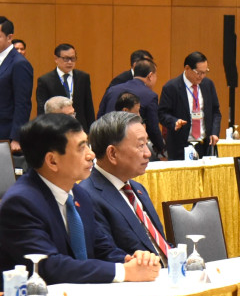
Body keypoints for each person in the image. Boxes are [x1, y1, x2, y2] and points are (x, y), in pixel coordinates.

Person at [0, 113, 160, 284]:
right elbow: (49, 266)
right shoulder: (20, 203)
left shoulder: (79, 195)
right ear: (52, 161)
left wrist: (131, 260)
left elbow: (102, 248)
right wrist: (123, 272)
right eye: (81, 147)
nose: (91, 155)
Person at [77, 112, 170, 260]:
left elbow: (159, 244)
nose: (148, 153)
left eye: (147, 143)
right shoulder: (87, 196)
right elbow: (107, 255)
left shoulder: (137, 188)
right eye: (141, 145)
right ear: (112, 153)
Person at [158, 52, 222, 160]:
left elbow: (216, 111)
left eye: (205, 72)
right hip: (181, 146)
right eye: (199, 73)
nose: (202, 76)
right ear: (187, 68)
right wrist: (174, 121)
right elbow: (162, 114)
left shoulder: (208, 85)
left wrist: (215, 133)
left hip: (204, 146)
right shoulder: (171, 87)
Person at [98, 58, 165, 157]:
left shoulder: (112, 89)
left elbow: (100, 116)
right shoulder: (150, 95)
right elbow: (153, 128)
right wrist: (161, 150)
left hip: (105, 147)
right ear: (150, 76)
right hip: (130, 150)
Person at [35, 43, 95, 132]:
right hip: (56, 128)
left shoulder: (83, 77)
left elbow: (88, 106)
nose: (70, 62)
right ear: (56, 59)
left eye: (73, 58)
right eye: (66, 59)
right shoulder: (45, 80)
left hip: (80, 127)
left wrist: (91, 130)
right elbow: (42, 110)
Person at [0, 16, 34, 152]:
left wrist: (17, 137)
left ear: (9, 37)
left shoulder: (19, 63)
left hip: (5, 132)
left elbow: (23, 103)